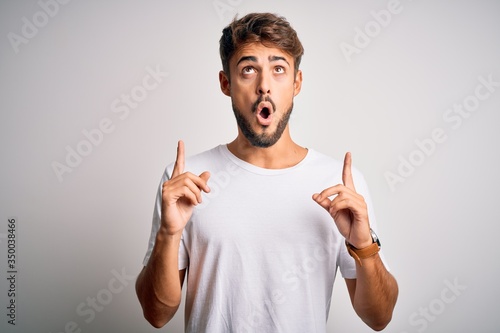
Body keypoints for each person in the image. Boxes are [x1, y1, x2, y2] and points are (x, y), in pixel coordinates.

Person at [136, 12, 398, 332]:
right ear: (226, 83)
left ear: (296, 83)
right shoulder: (186, 182)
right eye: (249, 70)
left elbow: (379, 317)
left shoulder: (340, 184)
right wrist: (169, 234)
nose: (264, 87)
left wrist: (364, 246)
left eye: (278, 70)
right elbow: (156, 314)